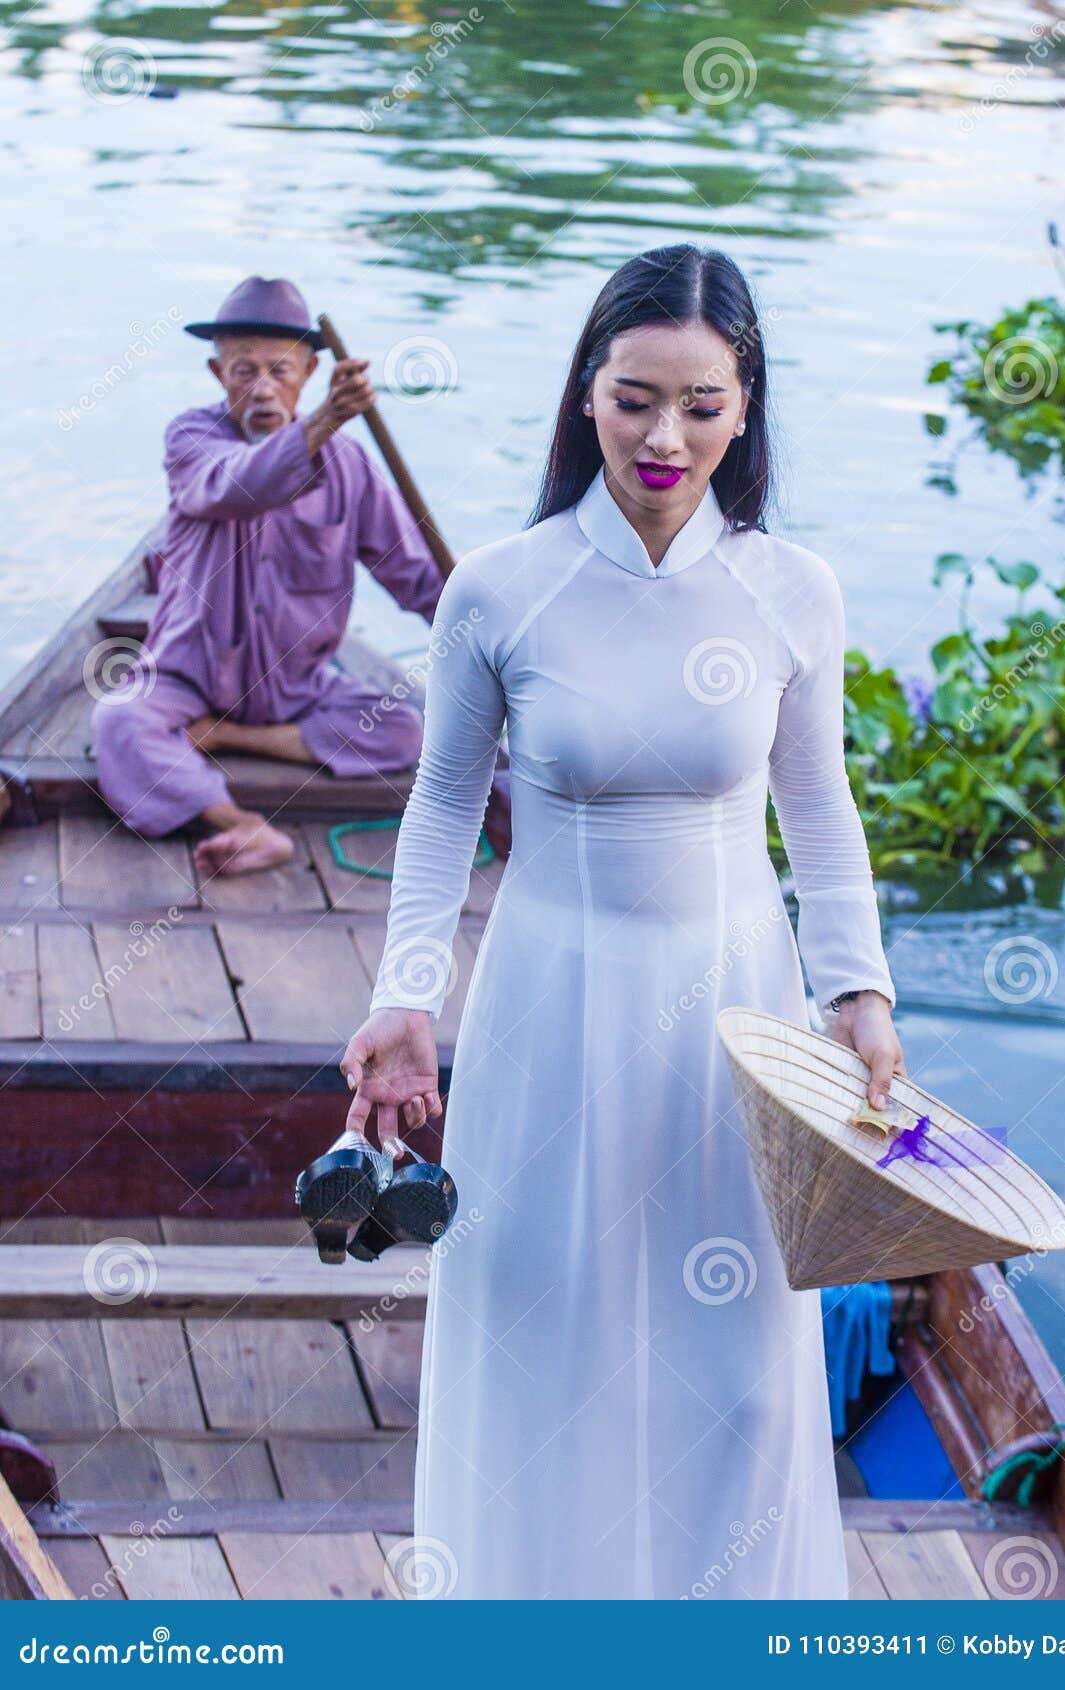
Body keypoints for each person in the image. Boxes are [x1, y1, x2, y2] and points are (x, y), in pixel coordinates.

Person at [339, 244, 907, 1600]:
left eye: (701, 405)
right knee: (545, 1321)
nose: (665, 437)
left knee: (743, 1372)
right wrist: (403, 991)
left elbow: (818, 818)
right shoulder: (501, 587)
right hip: (551, 997)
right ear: (584, 395)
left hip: (736, 1017)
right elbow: (437, 810)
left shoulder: (789, 590)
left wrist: (862, 1000)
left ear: (745, 404)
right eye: (633, 397)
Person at [91, 276, 468, 876]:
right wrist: (322, 421)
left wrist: (486, 630)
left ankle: (228, 735)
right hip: (187, 678)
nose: (263, 388)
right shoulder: (191, 439)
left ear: (310, 372)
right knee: (119, 720)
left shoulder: (351, 468)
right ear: (219, 375)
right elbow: (239, 485)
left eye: (280, 370)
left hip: (297, 691)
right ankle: (242, 826)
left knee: (405, 731)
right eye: (245, 371)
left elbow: (418, 580)